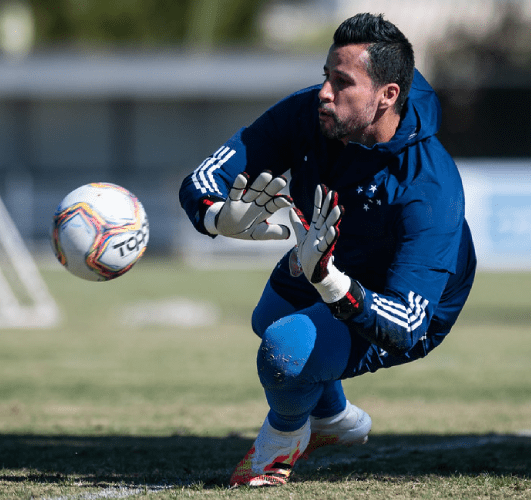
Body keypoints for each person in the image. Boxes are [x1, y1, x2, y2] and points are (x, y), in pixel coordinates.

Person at [178, 12, 477, 487]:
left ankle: (281, 442)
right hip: (331, 253)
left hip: (406, 303)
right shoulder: (308, 115)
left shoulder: (430, 186)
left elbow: (407, 323)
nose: (324, 92)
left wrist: (332, 283)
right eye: (325, 77)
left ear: (388, 95)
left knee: (285, 350)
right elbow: (202, 179)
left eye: (342, 83)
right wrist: (218, 216)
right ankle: (334, 420)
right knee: (267, 319)